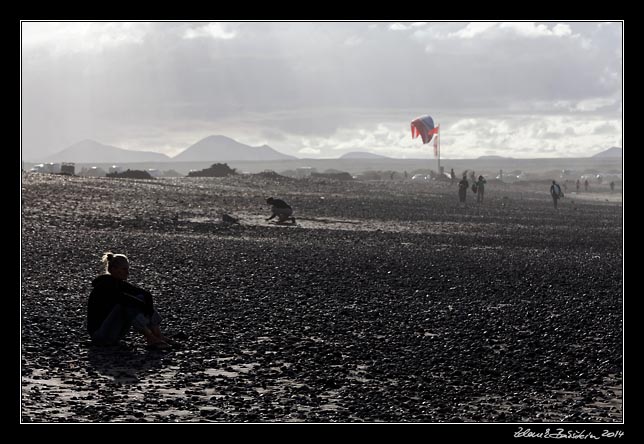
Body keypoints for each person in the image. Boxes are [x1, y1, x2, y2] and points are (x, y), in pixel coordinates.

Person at [87, 252, 172, 349]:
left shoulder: (119, 283)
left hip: (115, 334)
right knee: (126, 305)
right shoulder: (104, 285)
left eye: (128, 269)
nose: (127, 272)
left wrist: (146, 305)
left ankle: (157, 334)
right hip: (100, 336)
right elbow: (123, 299)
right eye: (124, 269)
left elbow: (145, 294)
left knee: (140, 298)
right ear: (113, 269)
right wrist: (143, 306)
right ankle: (149, 337)